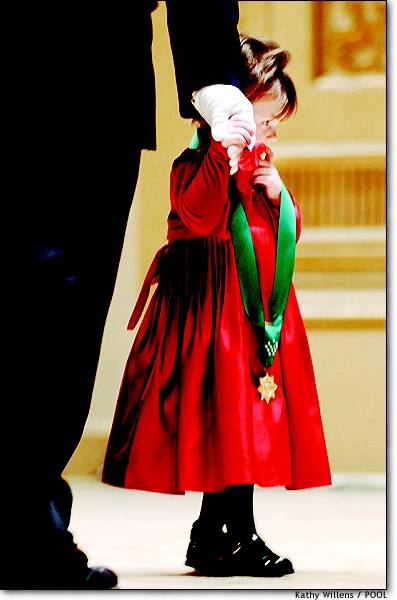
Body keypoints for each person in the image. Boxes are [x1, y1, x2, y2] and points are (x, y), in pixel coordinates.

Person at [9, 1, 255, 590]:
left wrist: (214, 78)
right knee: (55, 301)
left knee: (57, 305)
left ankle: (22, 522)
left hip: (88, 80)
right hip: (86, 80)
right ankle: (22, 527)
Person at [102, 35, 332, 578]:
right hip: (210, 317)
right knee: (225, 424)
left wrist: (281, 198)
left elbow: (284, 235)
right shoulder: (196, 164)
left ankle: (216, 532)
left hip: (252, 316)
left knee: (246, 427)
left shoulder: (260, 167)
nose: (272, 131)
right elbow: (202, 215)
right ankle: (232, 534)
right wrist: (220, 154)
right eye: (267, 118)